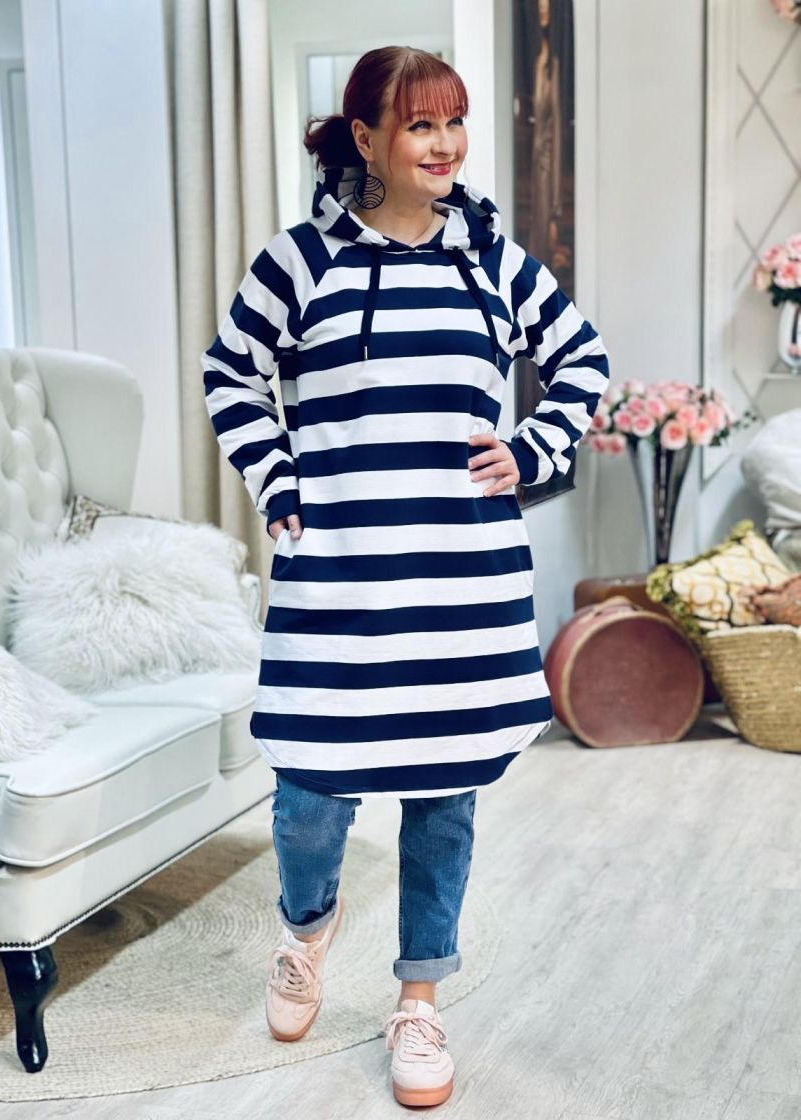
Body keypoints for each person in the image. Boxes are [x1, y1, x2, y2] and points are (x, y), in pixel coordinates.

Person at [201, 45, 609, 1110]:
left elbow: (582, 360)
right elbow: (229, 370)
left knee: (443, 799)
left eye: (454, 122)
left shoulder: (493, 262)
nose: (444, 145)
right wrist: (277, 475)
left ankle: (419, 1000)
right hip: (336, 580)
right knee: (308, 797)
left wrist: (534, 447)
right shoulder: (300, 261)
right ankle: (306, 928)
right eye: (421, 124)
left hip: (460, 582)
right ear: (367, 138)